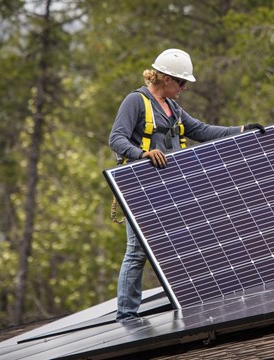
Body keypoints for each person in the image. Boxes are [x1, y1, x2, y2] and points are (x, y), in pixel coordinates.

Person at [109, 48, 265, 321]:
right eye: (180, 82)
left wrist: (241, 130)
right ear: (165, 78)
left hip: (169, 188)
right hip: (140, 186)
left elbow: (202, 131)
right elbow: (116, 139)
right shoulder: (136, 101)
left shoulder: (174, 109)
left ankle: (188, 299)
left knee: (182, 244)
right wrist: (142, 154)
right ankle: (126, 316)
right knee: (137, 251)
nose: (183, 87)